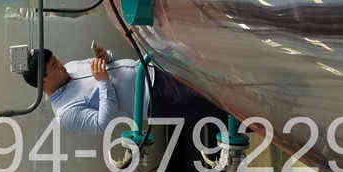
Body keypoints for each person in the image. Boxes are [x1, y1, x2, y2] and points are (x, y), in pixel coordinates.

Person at [21, 45, 226, 135]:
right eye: (55, 66)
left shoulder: (71, 67)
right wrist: (103, 82)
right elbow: (103, 123)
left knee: (209, 81)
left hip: (151, 69)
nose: (62, 65)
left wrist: (106, 57)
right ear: (43, 81)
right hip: (153, 97)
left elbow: (106, 65)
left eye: (57, 60)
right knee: (210, 101)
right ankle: (243, 117)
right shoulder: (65, 114)